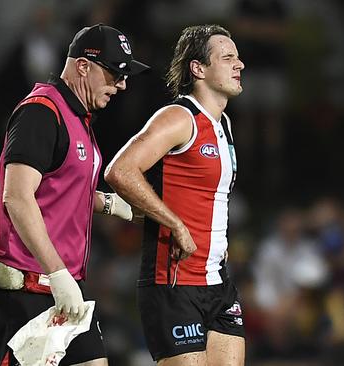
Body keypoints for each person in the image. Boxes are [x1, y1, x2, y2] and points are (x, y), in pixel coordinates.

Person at [0, 24, 149, 366]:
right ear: (83, 66)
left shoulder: (75, 116)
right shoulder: (41, 112)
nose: (122, 84)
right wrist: (57, 274)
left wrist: (112, 204)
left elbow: (61, 186)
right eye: (115, 73)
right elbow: (18, 197)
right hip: (24, 286)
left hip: (57, 286)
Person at [104, 24, 245, 365]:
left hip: (217, 282)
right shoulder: (179, 117)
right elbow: (119, 171)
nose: (239, 65)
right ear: (198, 69)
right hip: (173, 283)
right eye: (227, 58)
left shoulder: (223, 124)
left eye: (238, 58)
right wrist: (175, 225)